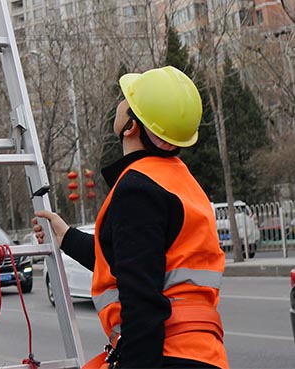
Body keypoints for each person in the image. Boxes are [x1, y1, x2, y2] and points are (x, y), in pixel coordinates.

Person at [34, 66, 228, 369]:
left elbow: (141, 303)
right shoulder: (178, 181)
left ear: (131, 126)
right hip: (200, 355)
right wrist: (66, 237)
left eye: (126, 100)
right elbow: (135, 262)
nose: (120, 101)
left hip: (166, 355)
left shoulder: (138, 189)